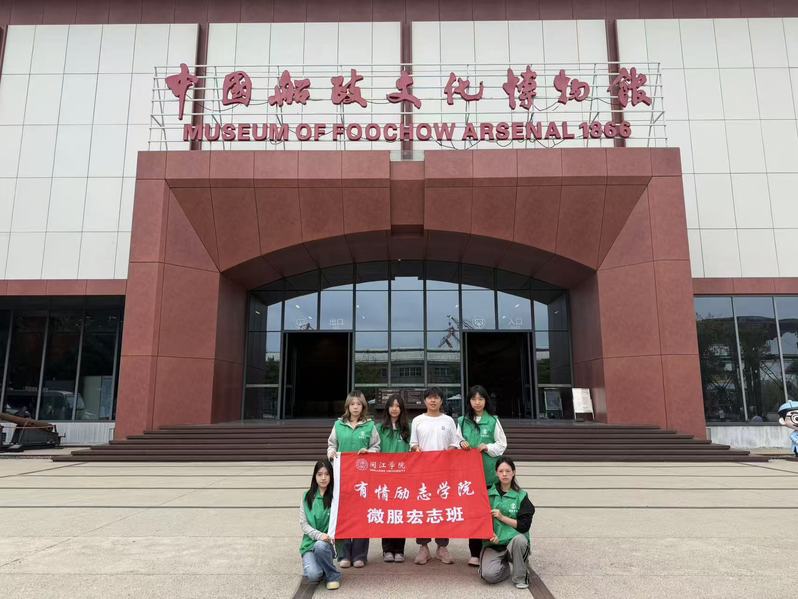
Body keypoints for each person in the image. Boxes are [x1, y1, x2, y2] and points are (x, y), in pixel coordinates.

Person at [409, 386, 463, 565]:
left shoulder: (448, 421)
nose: (433, 400)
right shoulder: (417, 420)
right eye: (430, 398)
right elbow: (413, 444)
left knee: (442, 509)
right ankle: (423, 547)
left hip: (444, 474)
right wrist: (417, 449)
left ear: (441, 400)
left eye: (436, 397)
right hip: (422, 473)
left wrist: (446, 454)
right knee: (422, 509)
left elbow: (455, 443)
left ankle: (442, 547)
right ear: (424, 400)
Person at [326, 391, 380, 568]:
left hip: (363, 478)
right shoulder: (339, 425)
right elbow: (332, 444)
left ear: (363, 406)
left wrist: (368, 452)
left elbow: (376, 447)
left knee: (361, 515)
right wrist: (331, 454)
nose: (355, 407)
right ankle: (344, 555)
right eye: (352, 404)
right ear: (347, 406)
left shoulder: (370, 425)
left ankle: (360, 555)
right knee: (344, 515)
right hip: (342, 477)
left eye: (359, 404)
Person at [457, 385, 507, 567]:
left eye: (480, 399)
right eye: (473, 399)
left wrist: (487, 447)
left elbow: (502, 444)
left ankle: (493, 550)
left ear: (486, 401)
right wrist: (461, 442)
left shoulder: (493, 420)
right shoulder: (462, 421)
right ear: (469, 401)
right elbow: (455, 440)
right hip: (470, 478)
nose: (477, 402)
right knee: (474, 515)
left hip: (489, 476)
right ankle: (475, 553)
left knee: (492, 513)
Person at [480, 457, 535, 590]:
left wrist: (502, 517)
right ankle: (505, 567)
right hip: (494, 544)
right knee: (488, 575)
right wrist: (488, 534)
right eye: (501, 471)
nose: (504, 474)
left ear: (513, 472)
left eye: (508, 471)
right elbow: (479, 520)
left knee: (520, 540)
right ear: (496, 473)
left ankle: (520, 576)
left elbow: (524, 525)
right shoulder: (487, 495)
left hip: (513, 543)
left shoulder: (521, 496)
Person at [376, 394, 411, 563]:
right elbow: (374, 449)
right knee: (387, 514)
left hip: (403, 479)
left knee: (400, 514)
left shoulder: (408, 428)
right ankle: (387, 549)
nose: (394, 409)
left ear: (402, 409)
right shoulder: (379, 428)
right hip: (384, 478)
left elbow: (413, 449)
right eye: (392, 405)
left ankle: (399, 550)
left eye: (398, 406)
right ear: (387, 408)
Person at [299, 459, 341, 590]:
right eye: (320, 474)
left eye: (327, 474)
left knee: (320, 546)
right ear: (315, 476)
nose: (323, 478)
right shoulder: (306, 496)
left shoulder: (336, 497)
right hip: (309, 544)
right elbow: (304, 524)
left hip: (327, 543)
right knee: (313, 575)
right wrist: (319, 535)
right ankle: (320, 565)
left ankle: (333, 576)